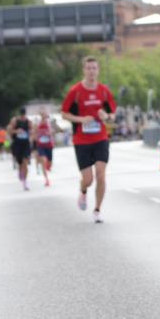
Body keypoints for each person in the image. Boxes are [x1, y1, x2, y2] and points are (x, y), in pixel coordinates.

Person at [61, 56, 117, 223]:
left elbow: (112, 115)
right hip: (81, 141)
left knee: (101, 174)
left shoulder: (104, 91)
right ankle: (83, 191)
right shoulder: (76, 91)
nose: (92, 71)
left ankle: (97, 210)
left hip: (100, 138)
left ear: (98, 70)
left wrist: (106, 116)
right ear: (84, 70)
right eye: (88, 68)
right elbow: (64, 113)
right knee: (88, 179)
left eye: (94, 68)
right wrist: (81, 119)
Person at [6, 107, 33, 190]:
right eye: (22, 115)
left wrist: (31, 139)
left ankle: (25, 182)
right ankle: (20, 171)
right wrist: (16, 131)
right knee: (20, 163)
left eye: (24, 115)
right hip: (17, 144)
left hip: (25, 144)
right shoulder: (15, 121)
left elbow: (32, 132)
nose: (23, 116)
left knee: (25, 162)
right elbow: (9, 131)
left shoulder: (28, 121)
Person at [35, 107, 55, 187]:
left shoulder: (49, 122)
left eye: (45, 114)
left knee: (49, 163)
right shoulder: (37, 123)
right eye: (42, 114)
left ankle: (48, 167)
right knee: (44, 161)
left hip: (49, 144)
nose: (44, 115)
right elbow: (34, 132)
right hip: (41, 145)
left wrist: (50, 133)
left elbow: (53, 131)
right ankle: (46, 180)